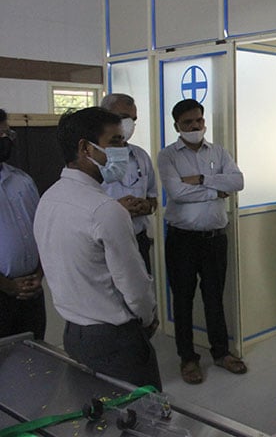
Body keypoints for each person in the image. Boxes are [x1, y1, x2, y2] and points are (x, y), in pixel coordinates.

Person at [33, 107, 161, 389]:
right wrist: (147, 317)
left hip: (74, 334)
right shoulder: (105, 210)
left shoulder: (49, 199)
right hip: (115, 339)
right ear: (85, 148)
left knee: (95, 407)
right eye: (115, 142)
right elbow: (134, 286)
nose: (123, 151)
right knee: (141, 412)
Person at [158, 98, 246, 384]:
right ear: (177, 126)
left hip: (215, 239)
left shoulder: (219, 152)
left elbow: (237, 182)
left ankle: (221, 353)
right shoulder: (167, 156)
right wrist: (215, 189)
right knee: (183, 300)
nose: (195, 126)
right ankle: (188, 358)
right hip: (182, 240)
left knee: (214, 298)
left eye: (198, 120)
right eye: (188, 123)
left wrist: (199, 179)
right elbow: (177, 193)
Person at [0, 108, 46, 341]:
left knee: (36, 351)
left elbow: (42, 231)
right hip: (3, 294)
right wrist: (8, 285)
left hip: (32, 290)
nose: (5, 140)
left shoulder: (22, 180)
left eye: (7, 134)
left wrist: (39, 274)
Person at [100, 94, 157, 273]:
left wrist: (146, 206)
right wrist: (117, 210)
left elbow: (153, 197)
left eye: (133, 119)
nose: (129, 124)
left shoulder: (141, 156)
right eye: (123, 117)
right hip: (106, 244)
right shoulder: (92, 158)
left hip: (138, 240)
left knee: (143, 289)